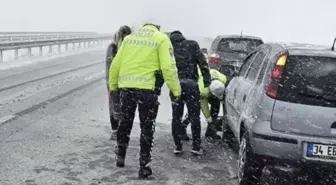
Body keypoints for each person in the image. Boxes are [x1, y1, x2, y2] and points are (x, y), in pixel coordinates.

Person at [109, 23, 181, 179]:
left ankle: (121, 154)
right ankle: (144, 166)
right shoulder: (161, 38)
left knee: (125, 122)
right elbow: (168, 67)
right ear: (157, 28)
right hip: (147, 90)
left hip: (127, 88)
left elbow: (115, 64)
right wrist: (176, 90)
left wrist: (113, 86)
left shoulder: (129, 39)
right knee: (147, 128)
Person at [169, 30, 211, 156]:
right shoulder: (192, 44)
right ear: (182, 37)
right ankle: (196, 147)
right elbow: (202, 62)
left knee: (176, 116)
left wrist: (158, 86)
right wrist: (207, 80)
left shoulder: (169, 48)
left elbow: (163, 67)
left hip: (176, 85)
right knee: (194, 116)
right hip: (191, 85)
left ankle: (178, 146)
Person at [181, 68, 227, 140]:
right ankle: (182, 129)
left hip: (211, 85)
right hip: (195, 88)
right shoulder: (203, 89)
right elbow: (203, 106)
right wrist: (208, 118)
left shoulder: (223, 79)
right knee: (194, 110)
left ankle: (210, 131)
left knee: (216, 107)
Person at [106, 25, 132, 140]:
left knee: (126, 108)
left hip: (127, 81)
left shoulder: (130, 46)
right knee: (115, 106)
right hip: (116, 82)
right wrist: (111, 84)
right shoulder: (113, 47)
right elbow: (110, 67)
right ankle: (115, 130)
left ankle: (123, 130)